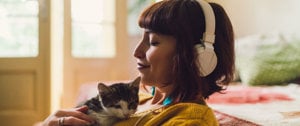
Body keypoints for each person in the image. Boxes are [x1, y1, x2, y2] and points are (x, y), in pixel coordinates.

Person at [41, 0, 234, 125]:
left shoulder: (191, 120)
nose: (136, 52)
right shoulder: (140, 97)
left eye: (153, 42)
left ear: (198, 56)